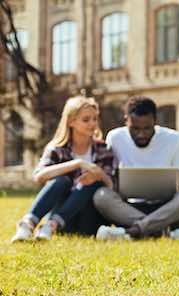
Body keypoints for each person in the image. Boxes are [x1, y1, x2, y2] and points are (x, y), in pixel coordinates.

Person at [93, 96, 179, 241]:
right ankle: (161, 231)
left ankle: (132, 232)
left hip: (165, 208)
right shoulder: (114, 137)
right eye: (135, 129)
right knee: (101, 195)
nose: (141, 134)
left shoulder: (174, 139)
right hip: (129, 208)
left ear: (155, 121)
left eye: (147, 128)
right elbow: (113, 179)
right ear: (126, 121)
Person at [10, 96, 114, 242]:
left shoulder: (103, 149)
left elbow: (111, 185)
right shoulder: (57, 149)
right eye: (86, 120)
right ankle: (28, 224)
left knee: (92, 183)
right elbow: (39, 176)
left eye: (95, 119)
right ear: (71, 121)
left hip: (89, 219)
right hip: (63, 218)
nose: (93, 124)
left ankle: (50, 226)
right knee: (61, 181)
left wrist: (98, 174)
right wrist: (76, 164)